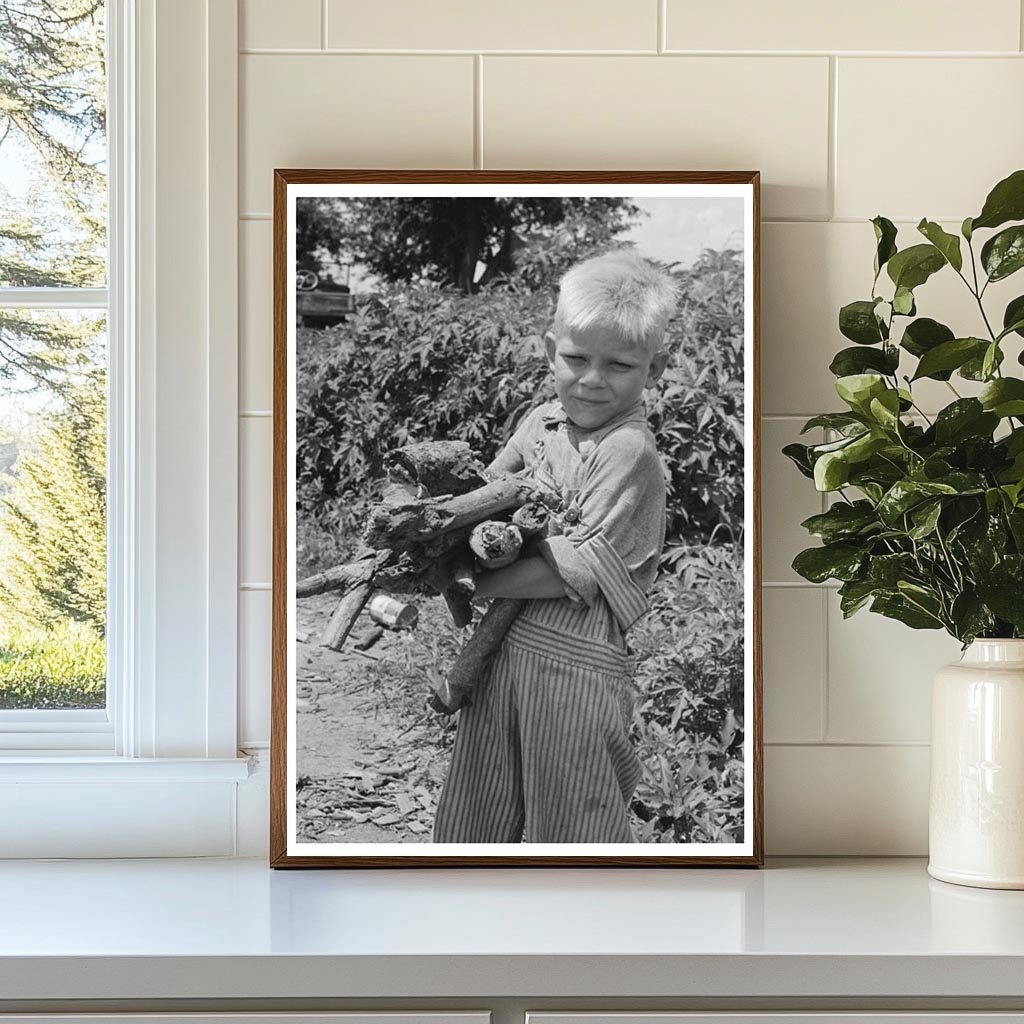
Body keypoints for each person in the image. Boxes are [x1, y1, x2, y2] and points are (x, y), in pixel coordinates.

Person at [432, 249, 676, 844]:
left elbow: (573, 575)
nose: (592, 380)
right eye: (575, 358)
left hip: (575, 664)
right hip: (504, 654)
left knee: (572, 826)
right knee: (478, 810)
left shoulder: (628, 451)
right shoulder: (540, 422)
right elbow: (486, 496)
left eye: (619, 364)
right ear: (549, 351)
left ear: (655, 366)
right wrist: (451, 530)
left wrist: (465, 580)